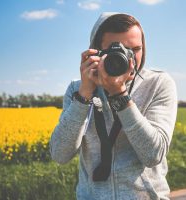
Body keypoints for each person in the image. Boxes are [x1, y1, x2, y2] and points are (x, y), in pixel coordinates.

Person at [50, 12, 178, 200]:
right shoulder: (77, 89)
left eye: (135, 49)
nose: (129, 58)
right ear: (95, 51)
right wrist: (84, 95)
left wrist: (120, 96)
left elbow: (153, 154)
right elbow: (60, 155)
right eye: (117, 49)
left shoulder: (158, 83)